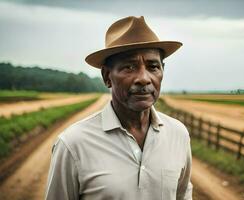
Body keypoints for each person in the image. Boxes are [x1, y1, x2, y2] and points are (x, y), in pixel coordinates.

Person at [45, 16, 193, 200]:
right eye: (129, 67)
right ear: (107, 76)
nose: (144, 78)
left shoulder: (178, 134)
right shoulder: (73, 144)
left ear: (162, 70)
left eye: (153, 66)